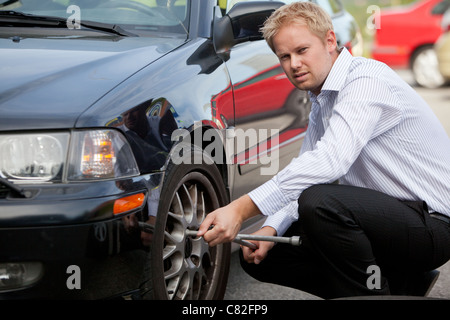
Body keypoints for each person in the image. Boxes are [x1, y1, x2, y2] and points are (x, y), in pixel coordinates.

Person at [198, 1, 450, 298]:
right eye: (285, 56)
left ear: (330, 41)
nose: (294, 64)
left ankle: (374, 293)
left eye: (302, 51)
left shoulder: (365, 81)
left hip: (431, 226)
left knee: (320, 202)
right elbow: (308, 172)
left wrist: (240, 209)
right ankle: (396, 286)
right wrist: (272, 229)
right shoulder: (322, 99)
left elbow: (330, 162)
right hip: (387, 221)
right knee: (261, 254)